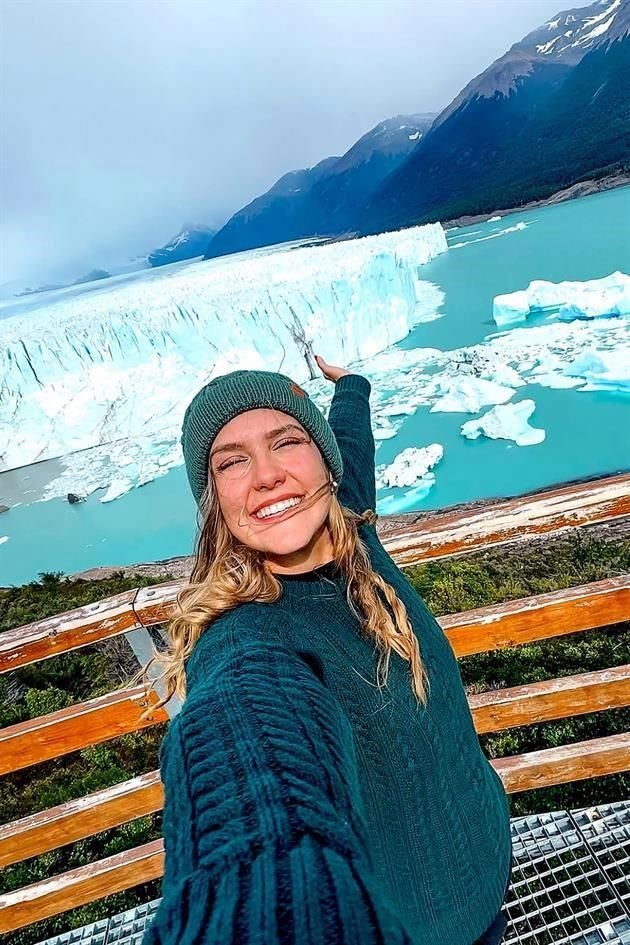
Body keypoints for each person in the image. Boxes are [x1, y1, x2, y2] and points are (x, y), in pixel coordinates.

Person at [141, 355, 513, 945]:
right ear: (214, 498)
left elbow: (350, 438)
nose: (266, 475)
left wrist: (350, 386)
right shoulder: (248, 635)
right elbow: (244, 729)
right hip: (411, 929)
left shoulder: (352, 526)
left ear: (324, 466)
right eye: (231, 461)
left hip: (488, 863)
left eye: (286, 441)